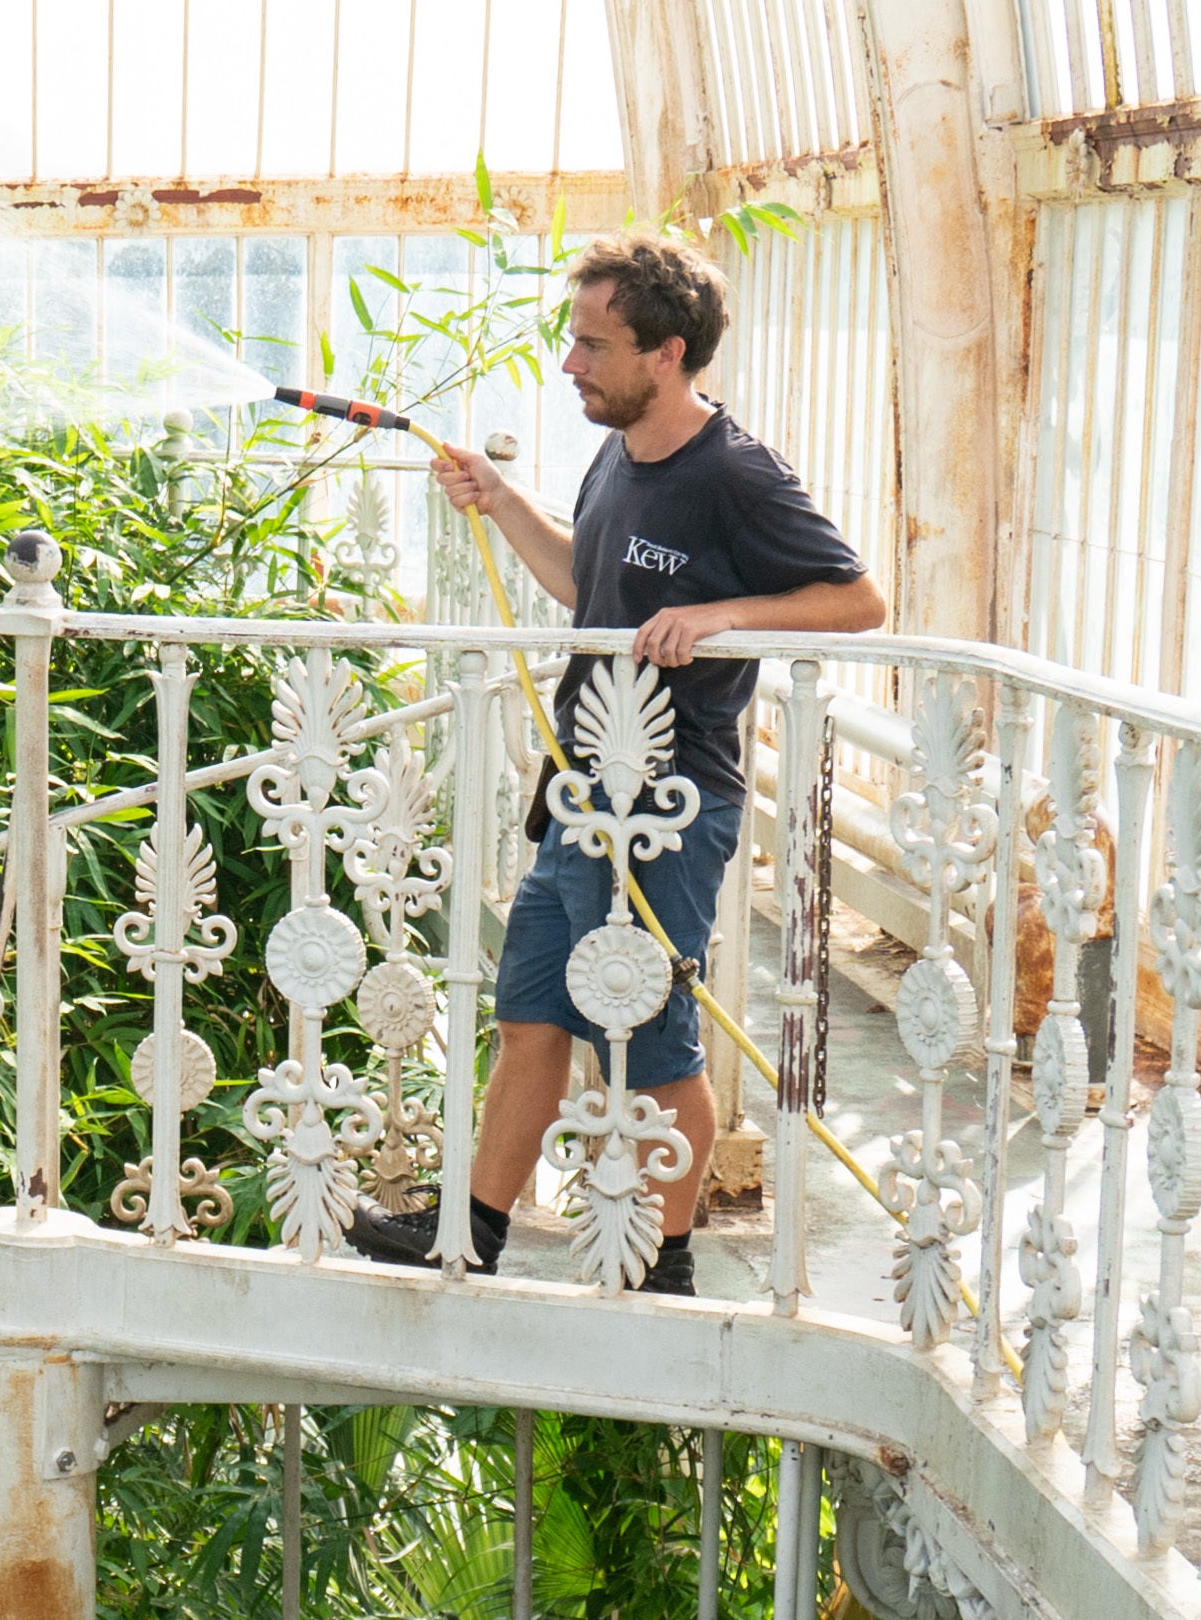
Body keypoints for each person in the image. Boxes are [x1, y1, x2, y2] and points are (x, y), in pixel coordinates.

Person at [343, 233, 887, 1295]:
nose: (571, 365)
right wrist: (501, 502)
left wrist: (722, 613)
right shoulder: (615, 454)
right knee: (532, 1012)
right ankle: (473, 1230)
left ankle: (666, 1261)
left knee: (645, 1024)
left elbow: (859, 601)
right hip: (580, 792)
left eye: (594, 346)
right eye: (573, 341)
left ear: (667, 353)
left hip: (671, 805)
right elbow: (578, 586)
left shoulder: (735, 475)